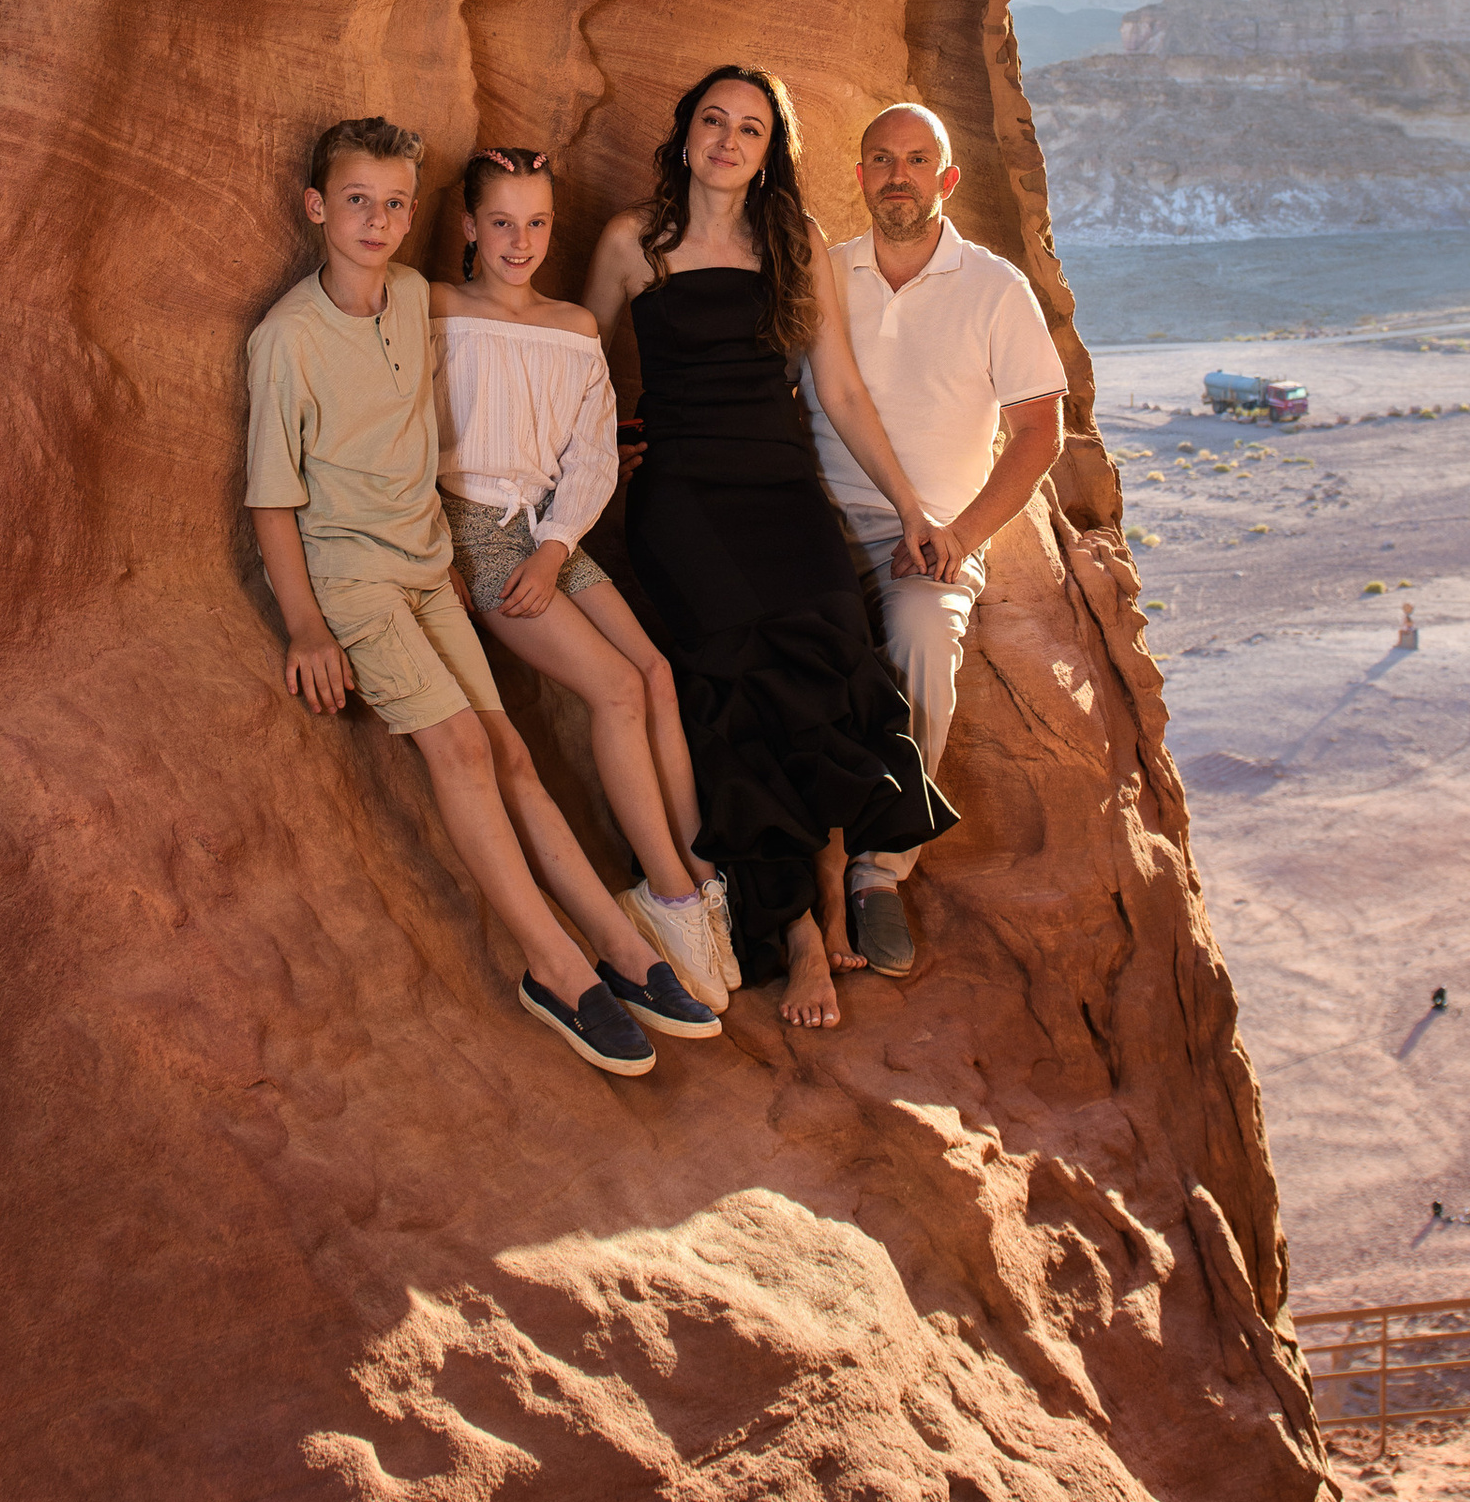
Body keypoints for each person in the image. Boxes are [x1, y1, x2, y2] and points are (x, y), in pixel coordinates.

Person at [244, 114, 719, 1077]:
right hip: (356, 580)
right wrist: (303, 623)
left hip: (430, 564)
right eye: (354, 203)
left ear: (415, 217)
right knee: (463, 748)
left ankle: (626, 949)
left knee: (510, 752)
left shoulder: (413, 297)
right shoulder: (287, 338)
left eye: (390, 205)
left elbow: (486, 411)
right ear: (315, 209)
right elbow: (271, 497)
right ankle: (557, 969)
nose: (375, 222)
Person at [584, 64, 959, 1036]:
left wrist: (910, 509)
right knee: (743, 674)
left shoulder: (792, 244)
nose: (727, 140)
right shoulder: (633, 242)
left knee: (834, 640)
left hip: (781, 486)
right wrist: (605, 444)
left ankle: (831, 886)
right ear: (685, 135)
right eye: (713, 120)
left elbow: (837, 391)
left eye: (750, 129)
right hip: (684, 501)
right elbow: (577, 368)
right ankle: (795, 928)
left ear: (768, 153)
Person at [431, 145, 733, 1007]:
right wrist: (440, 549)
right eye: (500, 222)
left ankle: (699, 880)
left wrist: (559, 543)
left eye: (536, 224)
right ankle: (667, 899)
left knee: (656, 674)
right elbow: (401, 433)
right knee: (614, 690)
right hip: (471, 530)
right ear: (467, 226)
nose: (519, 241)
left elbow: (593, 454)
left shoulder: (572, 327)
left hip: (543, 531)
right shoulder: (436, 311)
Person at [801, 100, 1067, 982]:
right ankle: (787, 871)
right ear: (861, 176)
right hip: (819, 521)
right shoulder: (826, 275)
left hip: (937, 539)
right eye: (881, 160)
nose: (898, 176)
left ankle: (882, 870)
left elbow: (1039, 432)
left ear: (947, 180)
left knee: (919, 638)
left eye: (917, 160)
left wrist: (961, 536)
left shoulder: (994, 287)